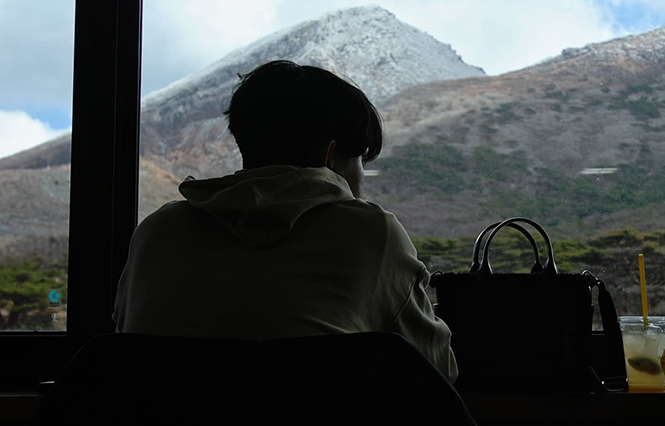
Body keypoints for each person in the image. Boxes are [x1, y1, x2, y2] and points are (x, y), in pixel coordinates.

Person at [113, 60, 457, 382]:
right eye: (359, 161)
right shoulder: (369, 233)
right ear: (328, 155)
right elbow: (437, 369)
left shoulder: (158, 232)